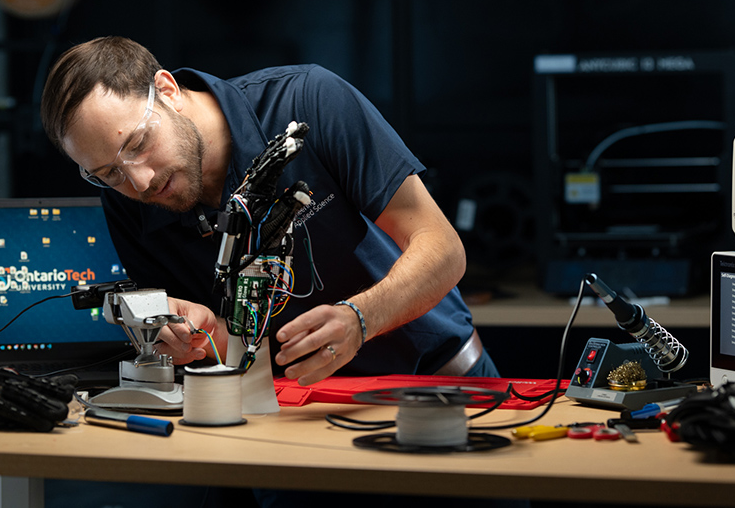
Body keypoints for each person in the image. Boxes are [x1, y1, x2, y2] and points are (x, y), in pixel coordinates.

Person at [39, 35, 498, 386]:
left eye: (138, 144)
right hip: (290, 419)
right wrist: (194, 336)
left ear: (167, 89)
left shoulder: (308, 100)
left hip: (438, 386)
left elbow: (443, 251)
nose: (139, 182)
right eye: (108, 173)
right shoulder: (126, 200)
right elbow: (233, 344)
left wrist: (361, 319)